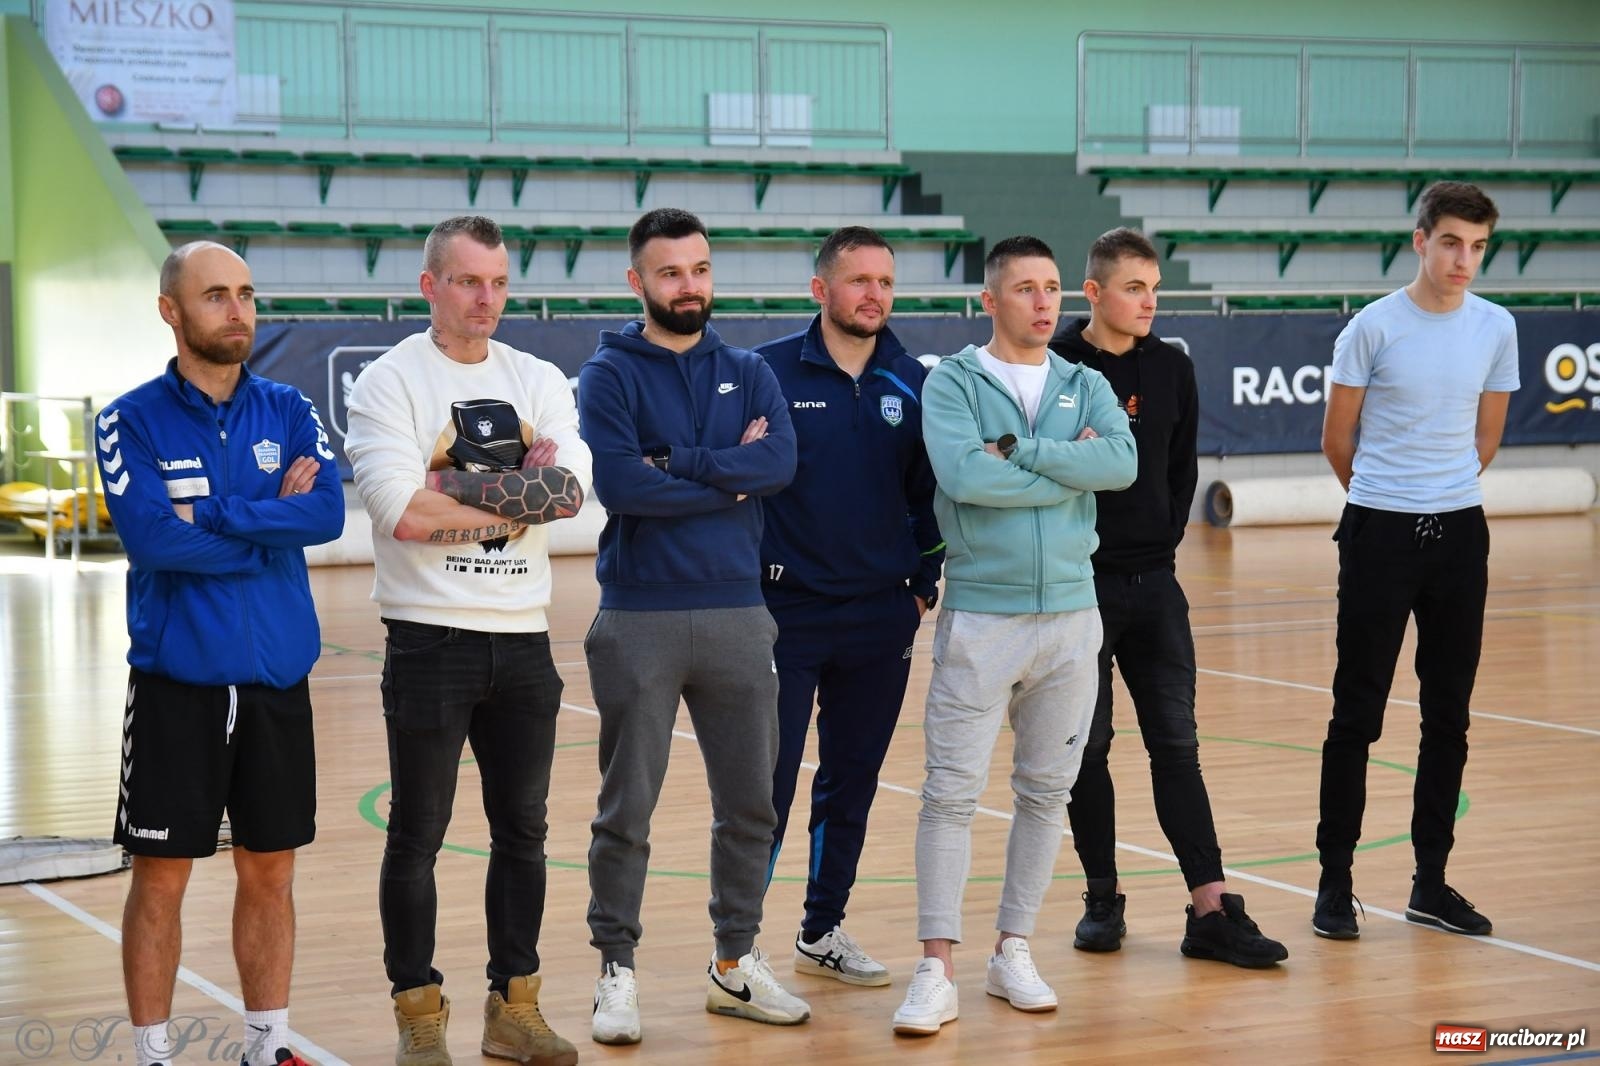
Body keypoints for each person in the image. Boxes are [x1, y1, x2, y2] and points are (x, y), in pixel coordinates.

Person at [344, 215, 591, 1066]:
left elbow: (572, 496)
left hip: (524, 640)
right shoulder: (389, 382)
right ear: (430, 286)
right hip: (427, 639)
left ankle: (512, 1007)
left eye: (498, 283)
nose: (486, 299)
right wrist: (521, 486)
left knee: (524, 831)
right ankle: (419, 1011)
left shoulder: (539, 375)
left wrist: (456, 481)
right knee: (418, 832)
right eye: (467, 281)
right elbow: (402, 512)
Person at [99, 241, 344, 1066]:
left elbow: (325, 518)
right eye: (215, 296)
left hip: (278, 679)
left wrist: (214, 518)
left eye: (245, 293)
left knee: (270, 874)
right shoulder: (127, 419)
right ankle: (154, 1055)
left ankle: (266, 1047)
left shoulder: (289, 408)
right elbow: (151, 541)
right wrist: (263, 521)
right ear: (172, 311)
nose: (237, 310)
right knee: (161, 878)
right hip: (180, 687)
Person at [891, 236, 1136, 1037]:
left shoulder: (1087, 381)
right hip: (983, 617)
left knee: (1045, 794)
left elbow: (1123, 467)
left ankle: (1013, 950)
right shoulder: (953, 383)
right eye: (1025, 289)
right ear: (990, 301)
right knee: (950, 796)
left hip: (1072, 618)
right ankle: (936, 966)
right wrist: (1070, 465)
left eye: (1053, 288)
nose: (1043, 302)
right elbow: (966, 479)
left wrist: (1025, 453)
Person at [578, 207, 807, 1046]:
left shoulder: (747, 369)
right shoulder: (608, 375)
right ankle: (617, 973)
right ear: (637, 281)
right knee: (625, 811)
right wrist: (728, 477)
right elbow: (624, 487)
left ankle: (735, 964)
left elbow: (779, 462)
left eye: (700, 270)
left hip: (741, 614)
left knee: (751, 803)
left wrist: (681, 464)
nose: (689, 286)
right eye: (670, 272)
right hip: (639, 615)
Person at [1052, 228, 1288, 968]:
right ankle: (1101, 898)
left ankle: (1210, 910)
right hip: (1076, 587)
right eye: (1133, 288)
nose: (1149, 302)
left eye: (1155, 288)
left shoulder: (1174, 368)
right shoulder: (1056, 364)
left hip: (1156, 588)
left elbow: (1179, 473)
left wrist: (1157, 545)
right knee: (1085, 751)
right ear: (1093, 293)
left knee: (1177, 748)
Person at [1313, 181, 1518, 941]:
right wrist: (1388, 500)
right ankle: (1335, 883)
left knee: (1449, 717)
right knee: (1356, 715)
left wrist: (1441, 495)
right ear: (1421, 240)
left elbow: (1486, 439)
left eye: (1478, 247)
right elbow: (1339, 442)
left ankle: (1430, 882)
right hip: (1379, 533)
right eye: (1452, 243)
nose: (1464, 259)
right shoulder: (1372, 328)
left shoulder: (1497, 328)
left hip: (1462, 536)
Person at [753, 226, 944, 987]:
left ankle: (821, 929)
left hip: (880, 618)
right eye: (858, 280)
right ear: (820, 289)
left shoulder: (912, 379)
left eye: (885, 282)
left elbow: (930, 495)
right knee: (762, 788)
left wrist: (924, 583)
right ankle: (736, 946)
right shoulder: (764, 371)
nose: (874, 295)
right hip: (782, 616)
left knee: (852, 781)